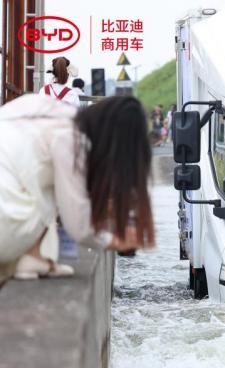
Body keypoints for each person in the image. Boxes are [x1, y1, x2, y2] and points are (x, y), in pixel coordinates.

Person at [0, 93, 155, 282]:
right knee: (59, 189)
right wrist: (114, 241)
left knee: (42, 180)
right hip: (5, 229)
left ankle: (34, 258)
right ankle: (32, 256)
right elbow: (79, 226)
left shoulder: (41, 105)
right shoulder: (73, 139)